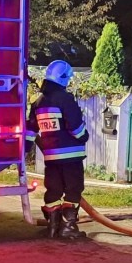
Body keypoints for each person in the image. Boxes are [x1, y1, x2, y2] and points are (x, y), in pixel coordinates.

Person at [25, 60, 89, 239]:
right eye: (67, 79)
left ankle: (53, 227)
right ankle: (68, 228)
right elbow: (76, 128)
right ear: (62, 79)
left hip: (51, 157)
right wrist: (84, 136)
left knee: (53, 190)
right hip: (71, 157)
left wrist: (25, 148)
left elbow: (30, 130)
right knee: (73, 189)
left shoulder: (38, 102)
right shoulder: (65, 99)